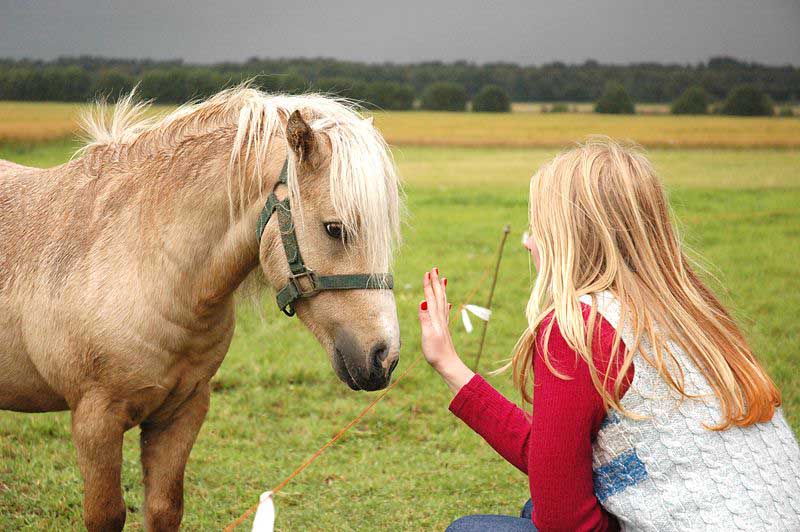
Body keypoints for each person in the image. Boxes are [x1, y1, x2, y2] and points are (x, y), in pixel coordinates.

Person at [417, 138, 800, 531]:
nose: (528, 241)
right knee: (538, 502)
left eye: (539, 227)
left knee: (471, 529)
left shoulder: (579, 330)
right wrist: (449, 363)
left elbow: (565, 523)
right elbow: (554, 464)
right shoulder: (691, 310)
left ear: (569, 237)